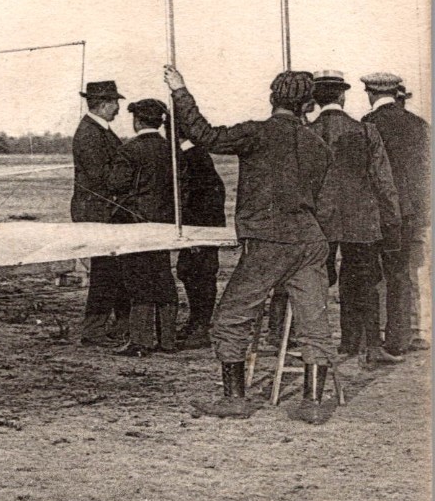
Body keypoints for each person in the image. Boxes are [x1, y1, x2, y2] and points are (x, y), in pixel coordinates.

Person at [165, 67, 335, 424]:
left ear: (272, 98)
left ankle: (235, 399)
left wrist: (180, 90)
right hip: (310, 240)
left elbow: (204, 135)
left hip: (269, 242)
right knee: (313, 322)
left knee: (231, 318)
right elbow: (322, 200)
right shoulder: (318, 145)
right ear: (307, 105)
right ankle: (314, 403)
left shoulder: (255, 133)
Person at [310, 71, 401, 365]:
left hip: (318, 221)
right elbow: (383, 182)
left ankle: (319, 347)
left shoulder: (307, 132)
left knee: (313, 283)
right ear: (342, 96)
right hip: (361, 220)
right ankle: (370, 346)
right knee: (363, 282)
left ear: (315, 98)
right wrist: (392, 222)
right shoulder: (365, 131)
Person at [362, 71, 430, 355]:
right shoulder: (419, 125)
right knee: (401, 274)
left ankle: (371, 341)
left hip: (376, 213)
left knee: (370, 275)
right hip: (409, 214)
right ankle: (399, 340)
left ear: (370, 93)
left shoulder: (367, 125)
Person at [70, 80, 137, 346]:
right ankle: (94, 329)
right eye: (116, 103)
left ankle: (119, 325)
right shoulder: (90, 133)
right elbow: (102, 178)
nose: (119, 109)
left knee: (113, 270)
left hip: (103, 210)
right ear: (105, 104)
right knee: (105, 272)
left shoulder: (98, 131)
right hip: (96, 212)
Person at [114, 99, 179, 355]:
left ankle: (141, 342)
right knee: (162, 276)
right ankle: (168, 340)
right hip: (164, 223)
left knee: (139, 280)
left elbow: (116, 183)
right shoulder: (171, 150)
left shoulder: (131, 150)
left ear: (137, 120)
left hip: (136, 222)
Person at [175, 135, 227, 349]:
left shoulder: (193, 155)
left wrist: (197, 234)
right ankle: (196, 322)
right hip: (199, 226)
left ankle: (201, 327)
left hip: (202, 227)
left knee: (201, 274)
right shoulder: (191, 153)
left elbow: (206, 195)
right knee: (188, 271)